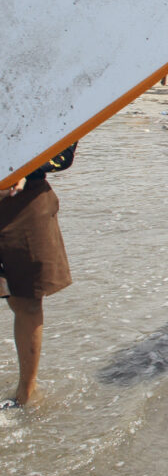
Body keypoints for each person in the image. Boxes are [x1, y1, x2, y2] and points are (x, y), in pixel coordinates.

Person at [1, 143, 76, 409]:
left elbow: (63, 152)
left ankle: (25, 393)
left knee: (26, 300)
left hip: (23, 201)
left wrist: (23, 169)